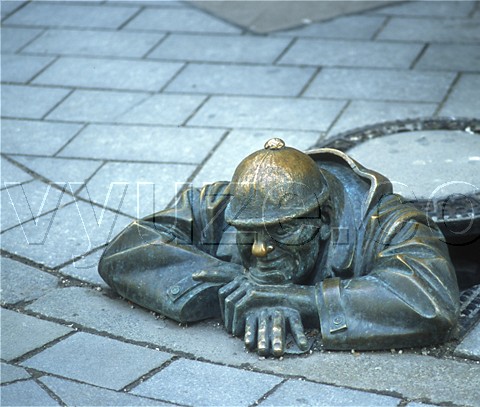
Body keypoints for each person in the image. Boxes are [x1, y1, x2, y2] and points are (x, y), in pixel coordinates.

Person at [99, 138, 460, 357]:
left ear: (324, 220)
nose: (258, 250)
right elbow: (127, 250)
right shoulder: (226, 203)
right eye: (249, 233)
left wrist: (297, 300)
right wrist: (235, 283)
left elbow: (430, 302)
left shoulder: (390, 223)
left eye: (282, 233)